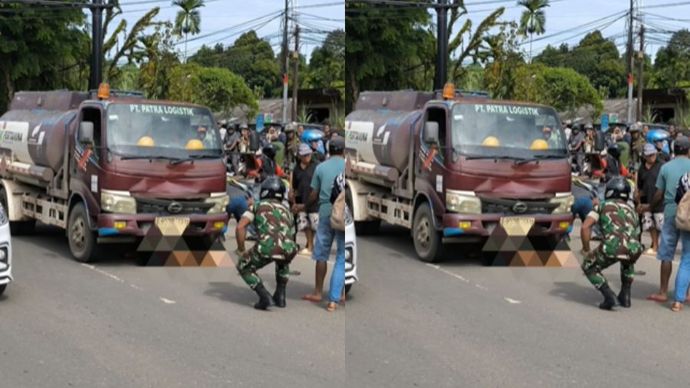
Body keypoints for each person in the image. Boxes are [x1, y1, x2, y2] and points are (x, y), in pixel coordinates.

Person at [235, 177, 298, 310]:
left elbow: (240, 227)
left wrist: (241, 249)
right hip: (289, 248)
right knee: (283, 259)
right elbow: (291, 235)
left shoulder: (256, 206)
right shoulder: (288, 212)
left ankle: (264, 296)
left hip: (266, 247)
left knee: (243, 266)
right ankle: (281, 296)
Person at [581, 177, 642, 310]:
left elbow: (585, 227)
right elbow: (637, 234)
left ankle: (609, 296)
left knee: (588, 266)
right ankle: (626, 296)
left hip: (612, 246)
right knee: (627, 259)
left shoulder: (601, 205)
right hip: (634, 248)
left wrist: (586, 250)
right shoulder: (633, 212)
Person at [643, 136, 690, 302]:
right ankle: (686, 293)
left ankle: (663, 292)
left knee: (666, 255)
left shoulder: (665, 167)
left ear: (673, 150)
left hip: (670, 212)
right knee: (688, 257)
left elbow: (658, 194)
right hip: (689, 216)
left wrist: (649, 206)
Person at [302, 136, 346, 304]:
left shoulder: (320, 168)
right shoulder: (348, 166)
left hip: (326, 213)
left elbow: (314, 194)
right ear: (343, 151)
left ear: (328, 149)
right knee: (342, 255)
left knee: (321, 255)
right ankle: (340, 294)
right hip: (344, 215)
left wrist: (304, 207)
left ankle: (318, 292)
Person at [290, 144, 320, 255]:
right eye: (304, 155)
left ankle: (311, 244)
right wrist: (294, 199)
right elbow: (294, 186)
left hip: (314, 201)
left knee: (314, 224)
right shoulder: (297, 169)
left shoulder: (316, 166)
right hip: (301, 200)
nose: (307, 157)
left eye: (308, 154)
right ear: (300, 156)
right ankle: (310, 245)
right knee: (305, 224)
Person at [637, 144, 664, 255]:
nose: (651, 157)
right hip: (646, 200)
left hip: (660, 201)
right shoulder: (642, 168)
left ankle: (660, 245)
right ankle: (655, 245)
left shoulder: (661, 166)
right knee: (650, 225)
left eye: (653, 154)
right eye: (649, 155)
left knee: (660, 225)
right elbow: (640, 186)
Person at [325, 172, 347, 312]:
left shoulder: (339, 177)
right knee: (345, 258)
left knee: (341, 257)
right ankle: (336, 297)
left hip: (339, 220)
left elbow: (332, 198)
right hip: (349, 221)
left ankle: (334, 299)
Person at [670, 173, 690, 312]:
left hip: (686, 221)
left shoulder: (686, 177)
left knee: (686, 260)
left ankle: (678, 301)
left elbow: (677, 197)